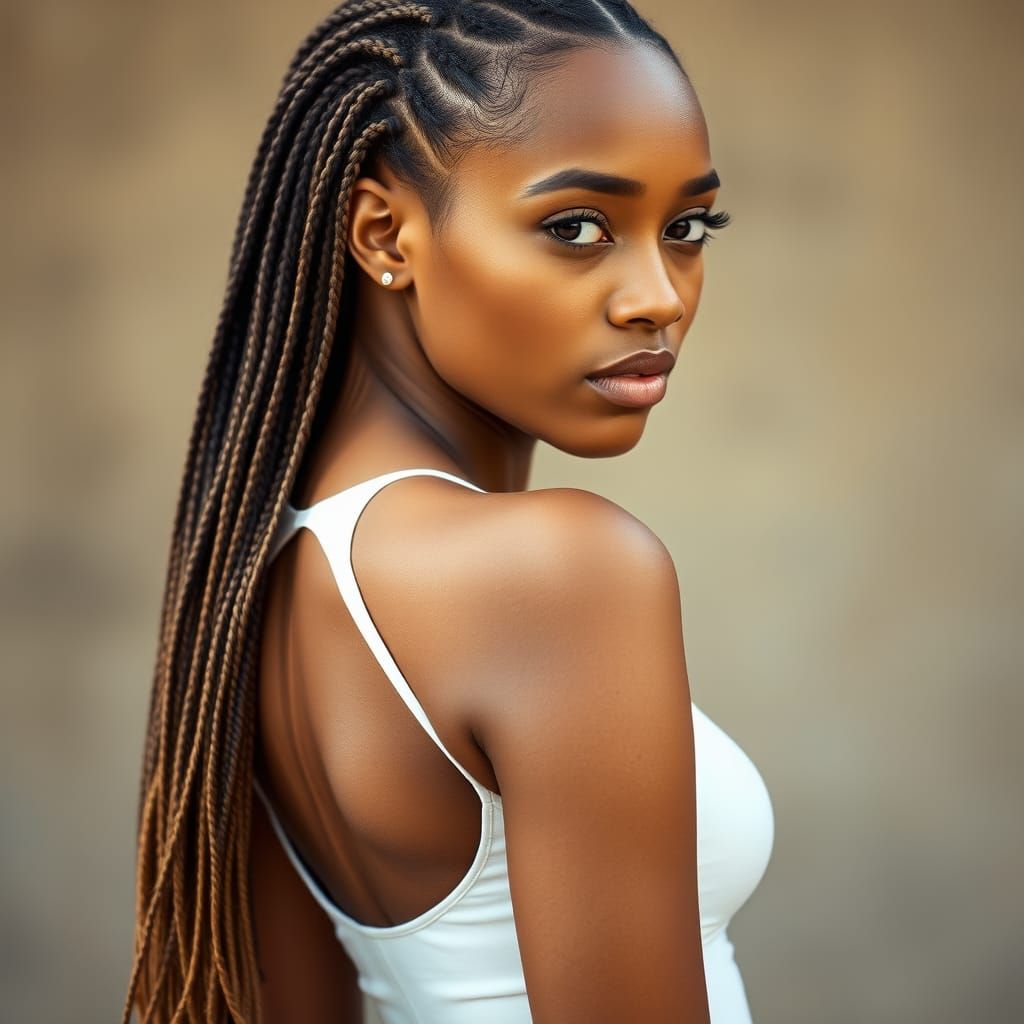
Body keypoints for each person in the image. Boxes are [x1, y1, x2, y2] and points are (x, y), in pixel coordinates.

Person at [123, 1, 775, 1021]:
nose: (659, 295)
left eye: (686, 227)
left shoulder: (262, 571)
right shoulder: (562, 573)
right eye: (576, 227)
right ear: (386, 233)